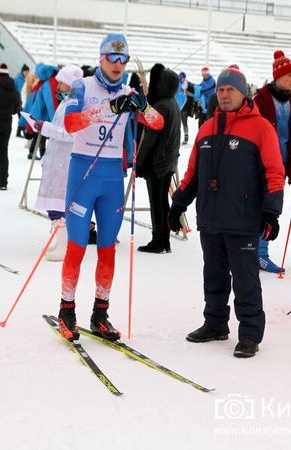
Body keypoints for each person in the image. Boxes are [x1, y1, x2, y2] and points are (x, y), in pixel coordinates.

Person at [169, 67, 284, 358]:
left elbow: (274, 172)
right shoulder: (207, 128)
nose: (223, 95)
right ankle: (215, 324)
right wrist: (178, 203)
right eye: (220, 90)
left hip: (243, 219)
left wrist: (271, 212)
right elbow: (193, 173)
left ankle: (250, 334)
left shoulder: (260, 128)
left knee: (245, 280)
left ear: (243, 92)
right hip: (211, 217)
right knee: (214, 275)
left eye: (230, 89)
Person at [56, 33, 163, 342]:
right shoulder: (83, 85)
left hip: (112, 177)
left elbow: (157, 123)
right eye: (112, 58)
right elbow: (71, 123)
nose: (118, 64)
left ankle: (100, 313)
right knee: (76, 245)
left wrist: (142, 105)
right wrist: (108, 109)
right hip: (83, 171)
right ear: (101, 57)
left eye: (123, 59)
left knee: (107, 249)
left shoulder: (129, 90)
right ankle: (67, 309)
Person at [252, 50, 291, 273]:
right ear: (277, 76)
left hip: (282, 166)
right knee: (256, 207)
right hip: (258, 164)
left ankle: (260, 253)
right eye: (289, 75)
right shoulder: (261, 99)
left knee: (271, 209)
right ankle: (255, 253)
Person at [30, 64, 84, 261]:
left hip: (65, 160)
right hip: (56, 159)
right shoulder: (65, 102)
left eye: (61, 82)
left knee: (59, 203)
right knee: (54, 203)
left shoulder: (74, 104)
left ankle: (65, 245)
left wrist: (46, 128)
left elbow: (70, 134)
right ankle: (61, 241)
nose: (57, 85)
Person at [136, 64, 181, 254]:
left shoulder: (161, 106)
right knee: (162, 201)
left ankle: (158, 240)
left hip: (158, 162)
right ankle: (165, 240)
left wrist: (139, 161)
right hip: (169, 160)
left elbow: (150, 138)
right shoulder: (173, 103)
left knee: (157, 202)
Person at [178, 71, 194, 145]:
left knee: (184, 123)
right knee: (177, 124)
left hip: (185, 106)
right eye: (183, 78)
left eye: (185, 78)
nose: (184, 79)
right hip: (177, 106)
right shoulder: (176, 84)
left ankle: (186, 138)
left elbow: (191, 93)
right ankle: (176, 138)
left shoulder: (187, 84)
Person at [14, 64, 29, 137]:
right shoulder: (17, 79)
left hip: (25, 101)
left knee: (22, 117)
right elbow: (14, 88)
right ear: (22, 71)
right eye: (25, 71)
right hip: (18, 101)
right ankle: (23, 132)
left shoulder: (28, 79)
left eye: (27, 71)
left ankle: (19, 132)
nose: (26, 72)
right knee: (21, 117)